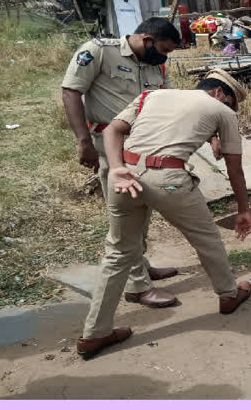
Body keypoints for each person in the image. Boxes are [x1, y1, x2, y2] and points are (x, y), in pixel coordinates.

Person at [76, 71, 251, 359]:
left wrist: (117, 166)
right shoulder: (222, 110)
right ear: (221, 94)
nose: (230, 109)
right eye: (231, 103)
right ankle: (229, 295)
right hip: (168, 180)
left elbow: (111, 130)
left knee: (118, 252)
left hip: (125, 174)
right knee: (207, 239)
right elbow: (234, 166)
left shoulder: (153, 94)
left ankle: (94, 334)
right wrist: (243, 210)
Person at [62, 18, 182, 309]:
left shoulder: (156, 65)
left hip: (144, 147)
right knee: (125, 218)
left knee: (142, 210)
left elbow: (171, 101)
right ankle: (138, 286)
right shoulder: (99, 51)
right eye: (162, 49)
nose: (163, 57)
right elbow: (71, 91)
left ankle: (140, 264)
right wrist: (83, 140)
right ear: (146, 38)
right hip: (110, 146)